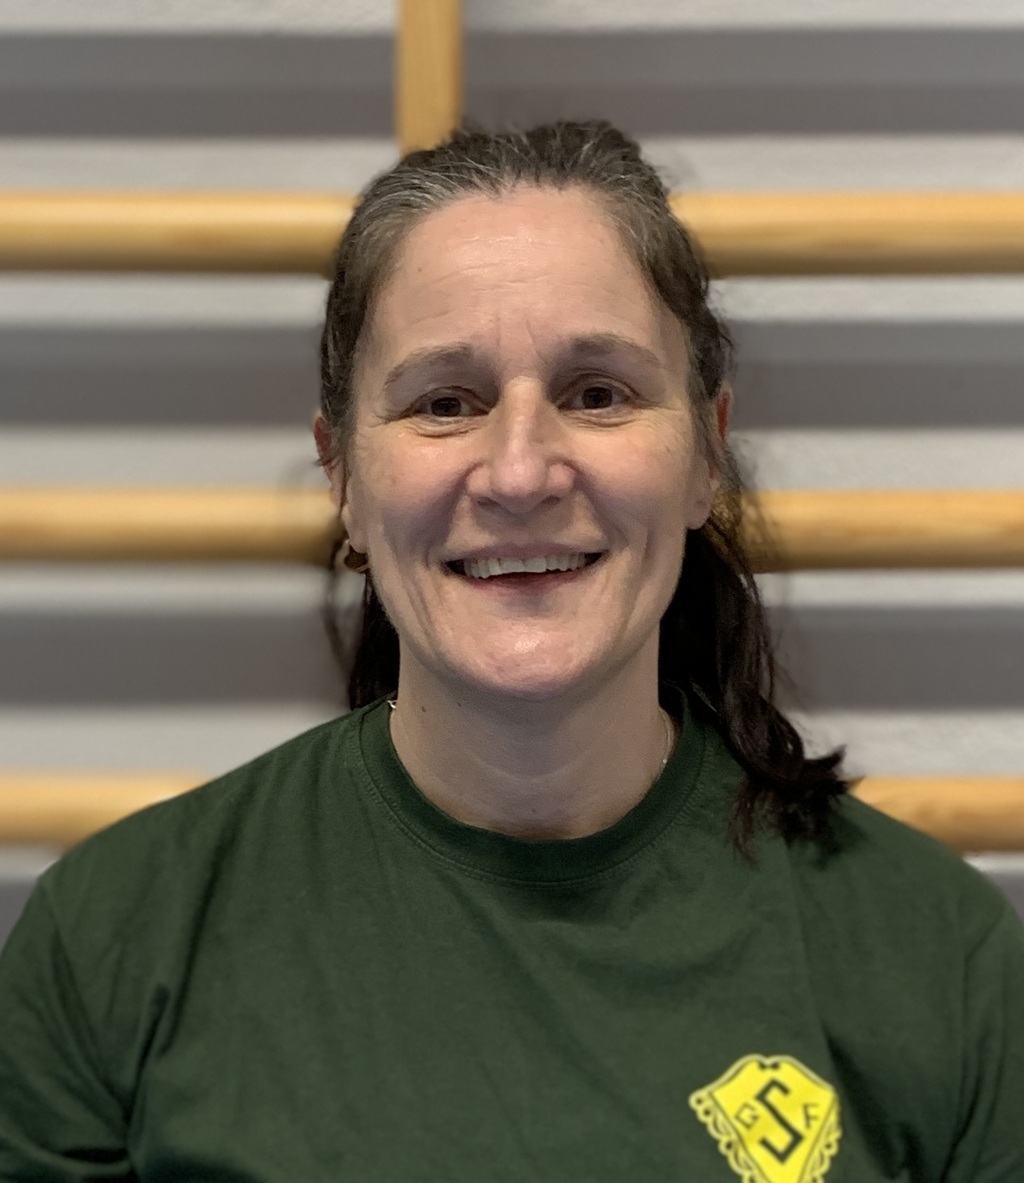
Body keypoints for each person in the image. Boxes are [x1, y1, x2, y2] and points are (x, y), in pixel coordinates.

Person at [1, 120, 1022, 1183]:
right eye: (445, 403)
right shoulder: (114, 940)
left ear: (705, 455)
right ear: (343, 475)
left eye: (597, 393)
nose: (521, 472)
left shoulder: (934, 955)